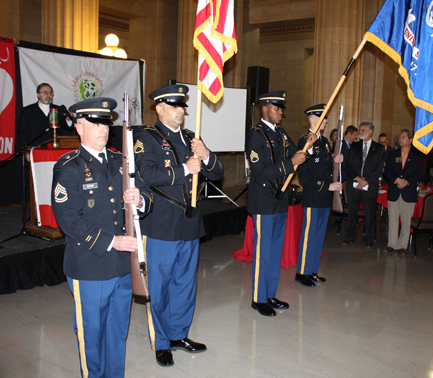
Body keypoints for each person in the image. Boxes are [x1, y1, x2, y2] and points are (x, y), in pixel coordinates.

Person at [51, 97, 153, 378]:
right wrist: (112, 241)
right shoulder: (69, 167)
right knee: (92, 336)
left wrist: (140, 199)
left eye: (106, 122)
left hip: (122, 267)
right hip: (90, 267)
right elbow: (68, 219)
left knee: (117, 334)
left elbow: (147, 198)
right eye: (95, 123)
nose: (103, 128)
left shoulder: (122, 161)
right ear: (79, 127)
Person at [133, 84, 224, 367]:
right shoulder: (145, 137)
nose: (182, 111)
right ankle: (161, 342)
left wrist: (206, 154)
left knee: (185, 284)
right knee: (158, 287)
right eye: (175, 106)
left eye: (183, 106)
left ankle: (178, 334)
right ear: (159, 108)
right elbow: (145, 174)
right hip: (160, 225)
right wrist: (186, 168)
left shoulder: (190, 136)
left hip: (189, 223)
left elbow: (218, 172)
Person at [245, 90, 306, 316]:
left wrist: (307, 143)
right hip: (263, 200)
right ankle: (258, 298)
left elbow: (295, 152)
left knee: (274, 251)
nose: (280, 112)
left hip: (280, 200)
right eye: (277, 107)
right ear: (265, 108)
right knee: (263, 252)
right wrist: (291, 164)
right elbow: (260, 172)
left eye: (281, 108)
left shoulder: (280, 133)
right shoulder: (256, 135)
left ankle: (270, 293)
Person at [295, 104, 343, 287]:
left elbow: (323, 167)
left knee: (319, 236)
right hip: (314, 196)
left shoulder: (323, 142)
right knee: (309, 236)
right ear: (313, 119)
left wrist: (334, 160)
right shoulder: (306, 141)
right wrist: (326, 186)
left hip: (324, 198)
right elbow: (304, 175)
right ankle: (302, 272)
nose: (325, 121)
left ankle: (312, 270)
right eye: (322, 118)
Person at [343, 122, 385, 247]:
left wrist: (366, 181)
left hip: (370, 185)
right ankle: (350, 236)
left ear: (370, 132)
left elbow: (379, 168)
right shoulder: (354, 146)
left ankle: (369, 238)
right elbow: (348, 165)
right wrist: (358, 179)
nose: (360, 132)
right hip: (355, 184)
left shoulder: (379, 148)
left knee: (370, 213)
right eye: (359, 130)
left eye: (363, 130)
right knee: (352, 212)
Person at [383, 130, 424, 255]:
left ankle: (402, 245)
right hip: (394, 190)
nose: (400, 139)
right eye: (400, 137)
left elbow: (419, 173)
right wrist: (397, 180)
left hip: (408, 191)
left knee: (406, 220)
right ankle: (392, 244)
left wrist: (406, 181)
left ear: (410, 140)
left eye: (403, 137)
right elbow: (387, 171)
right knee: (393, 219)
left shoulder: (416, 157)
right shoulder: (393, 154)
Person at [17, 83, 74, 148]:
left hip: (55, 149)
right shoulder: (28, 111)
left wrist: (68, 120)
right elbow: (22, 133)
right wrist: (26, 150)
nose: (48, 95)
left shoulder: (59, 109)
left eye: (50, 93)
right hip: (35, 149)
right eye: (45, 92)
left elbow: (68, 128)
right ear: (38, 95)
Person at [378, 132, 394, 223]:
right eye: (380, 142)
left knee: (387, 197)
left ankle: (384, 215)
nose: (381, 144)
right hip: (378, 176)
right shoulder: (376, 149)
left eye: (383, 142)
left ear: (387, 141)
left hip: (387, 177)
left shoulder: (392, 151)